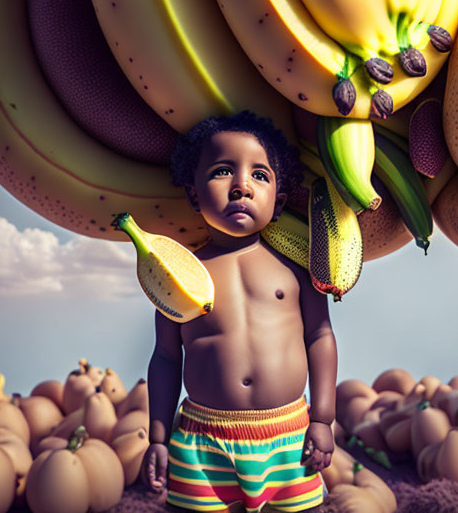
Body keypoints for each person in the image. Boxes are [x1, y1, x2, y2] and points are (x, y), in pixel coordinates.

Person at [143, 110, 337, 513]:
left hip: (289, 435)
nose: (242, 187)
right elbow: (165, 355)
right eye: (222, 172)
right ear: (194, 194)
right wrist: (158, 438)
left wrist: (323, 418)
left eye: (260, 176)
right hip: (202, 439)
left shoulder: (297, 268)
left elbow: (320, 336)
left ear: (278, 201)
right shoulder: (178, 276)